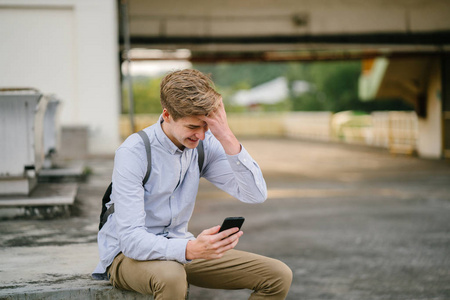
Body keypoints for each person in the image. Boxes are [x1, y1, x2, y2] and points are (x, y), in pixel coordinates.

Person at [93, 69, 292, 299]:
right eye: (192, 127)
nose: (202, 135)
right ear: (167, 115)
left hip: (181, 247)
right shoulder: (134, 152)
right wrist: (189, 249)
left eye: (206, 126)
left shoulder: (204, 144)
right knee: (171, 276)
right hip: (126, 256)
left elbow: (255, 194)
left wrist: (226, 135)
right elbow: (130, 240)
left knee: (278, 275)